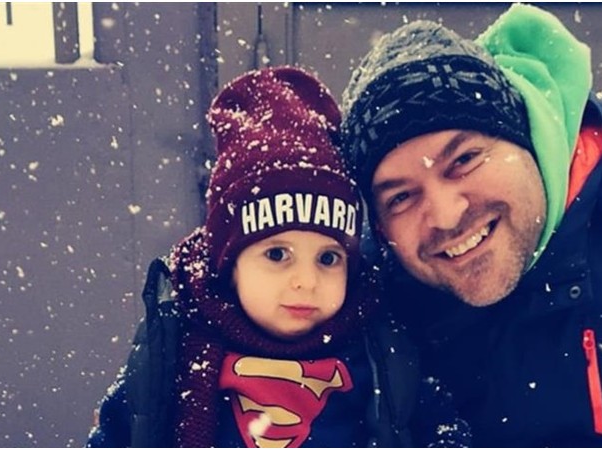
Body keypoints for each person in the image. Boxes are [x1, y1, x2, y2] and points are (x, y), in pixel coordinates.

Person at [340, 4, 602, 447]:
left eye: (464, 160)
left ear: (525, 137)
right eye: (400, 197)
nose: (446, 215)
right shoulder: (369, 302)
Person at [86, 67, 471, 448]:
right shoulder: (179, 347)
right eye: (276, 254)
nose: (306, 281)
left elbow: (437, 428)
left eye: (328, 259)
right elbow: (119, 433)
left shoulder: (377, 349)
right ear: (229, 265)